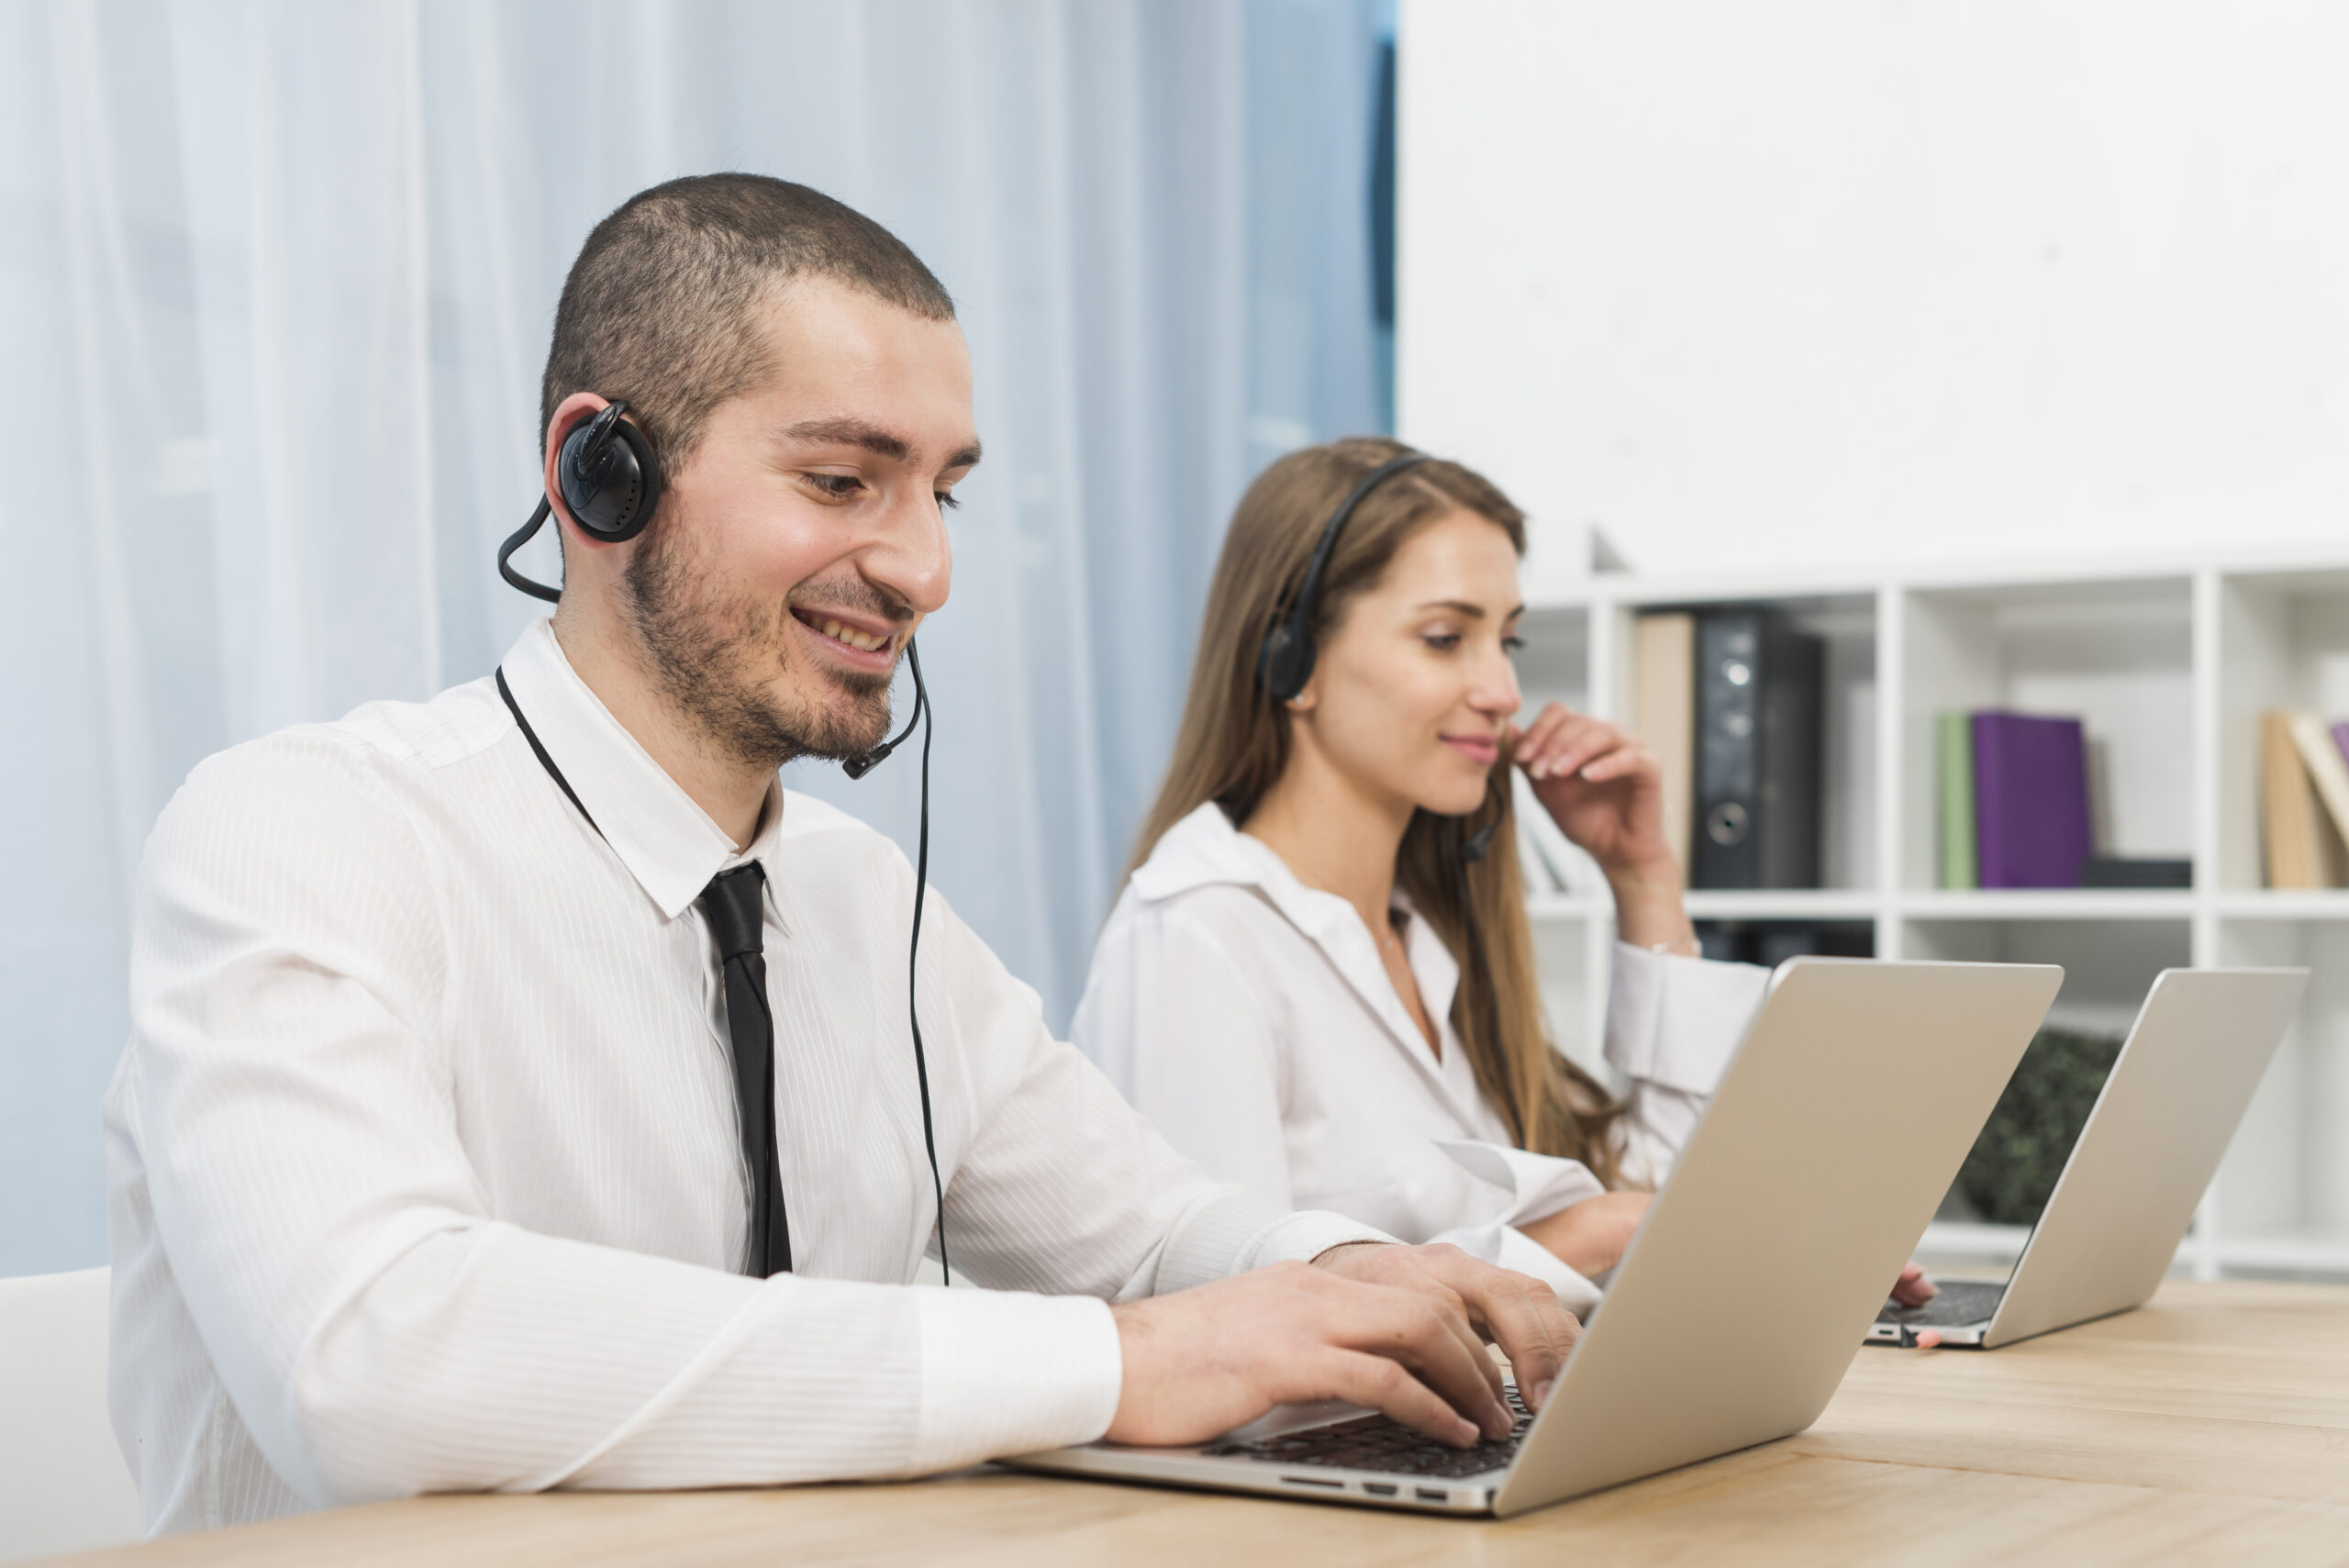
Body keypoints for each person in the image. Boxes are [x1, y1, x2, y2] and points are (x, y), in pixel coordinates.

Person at [103, 177, 1583, 1537]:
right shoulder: (303, 833)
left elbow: (1146, 1229)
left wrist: (1347, 1277)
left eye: (941, 489)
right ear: (597, 472)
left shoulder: (864, 900)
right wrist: (1115, 1358)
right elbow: (375, 1353)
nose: (924, 567)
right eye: (841, 480)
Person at [1072, 439, 1938, 1317]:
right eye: (1446, 638)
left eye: (1507, 639)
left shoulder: (1431, 938)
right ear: (1290, 658)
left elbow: (1657, 1204)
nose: (1501, 688)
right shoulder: (1197, 935)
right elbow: (1222, 1329)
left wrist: (1644, 878)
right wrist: (1582, 1241)